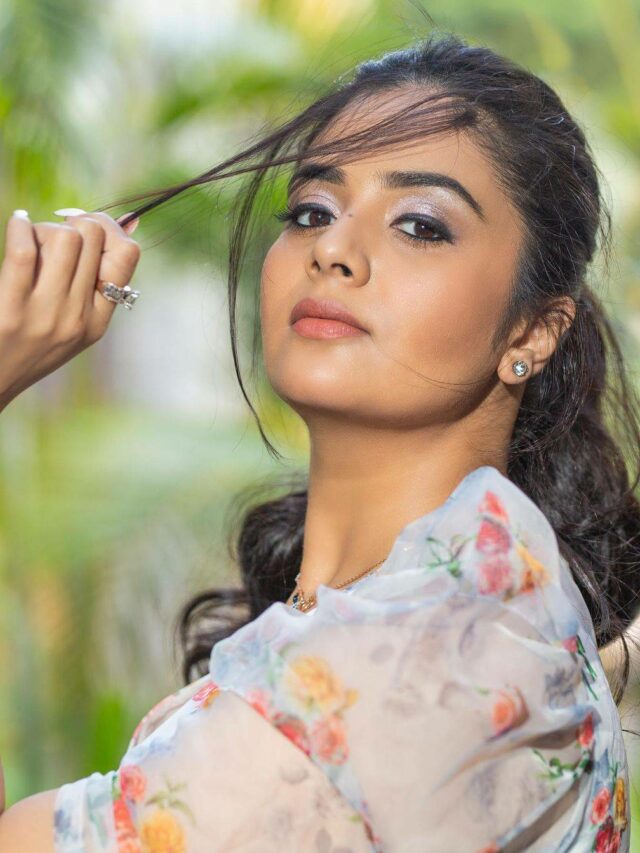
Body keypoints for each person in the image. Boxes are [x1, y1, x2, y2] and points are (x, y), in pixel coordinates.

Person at [0, 28, 638, 852]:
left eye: (420, 225)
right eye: (311, 212)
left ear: (532, 329)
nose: (333, 249)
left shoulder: (443, 650)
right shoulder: (430, 602)